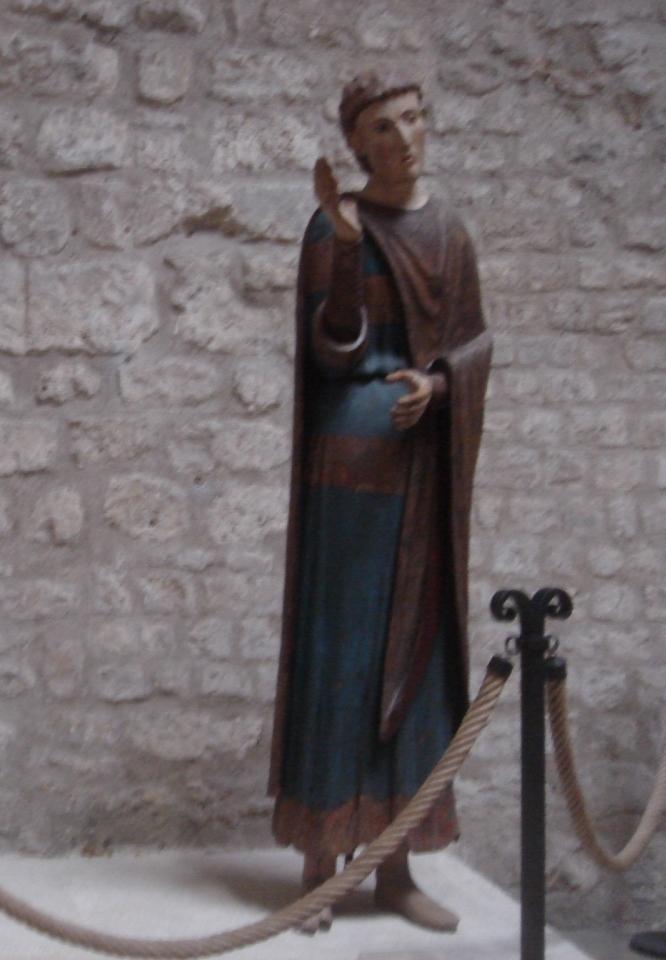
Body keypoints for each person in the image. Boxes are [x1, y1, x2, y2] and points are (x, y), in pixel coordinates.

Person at [268, 71, 492, 934]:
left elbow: (472, 345)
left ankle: (395, 867)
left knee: (414, 664)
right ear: (357, 146)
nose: (403, 138)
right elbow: (334, 349)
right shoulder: (335, 224)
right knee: (343, 655)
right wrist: (345, 247)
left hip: (420, 476)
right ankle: (320, 866)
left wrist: (438, 385)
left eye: (411, 119)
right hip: (348, 484)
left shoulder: (449, 233)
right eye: (382, 128)